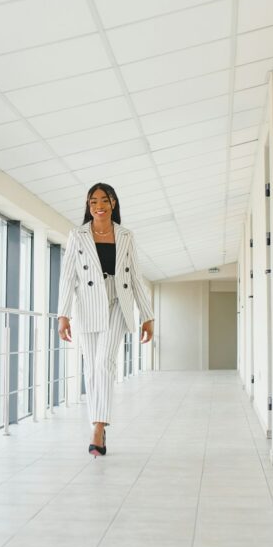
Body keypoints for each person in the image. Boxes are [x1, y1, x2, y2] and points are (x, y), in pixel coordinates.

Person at [57, 183, 154, 457]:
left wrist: (147, 316)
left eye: (103, 200)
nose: (98, 206)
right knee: (91, 366)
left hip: (115, 300)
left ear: (113, 203)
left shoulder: (126, 235)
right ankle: (97, 422)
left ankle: (98, 427)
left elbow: (135, 276)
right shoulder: (77, 235)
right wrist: (63, 315)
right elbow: (68, 277)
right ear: (88, 206)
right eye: (92, 202)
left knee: (104, 362)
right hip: (87, 303)